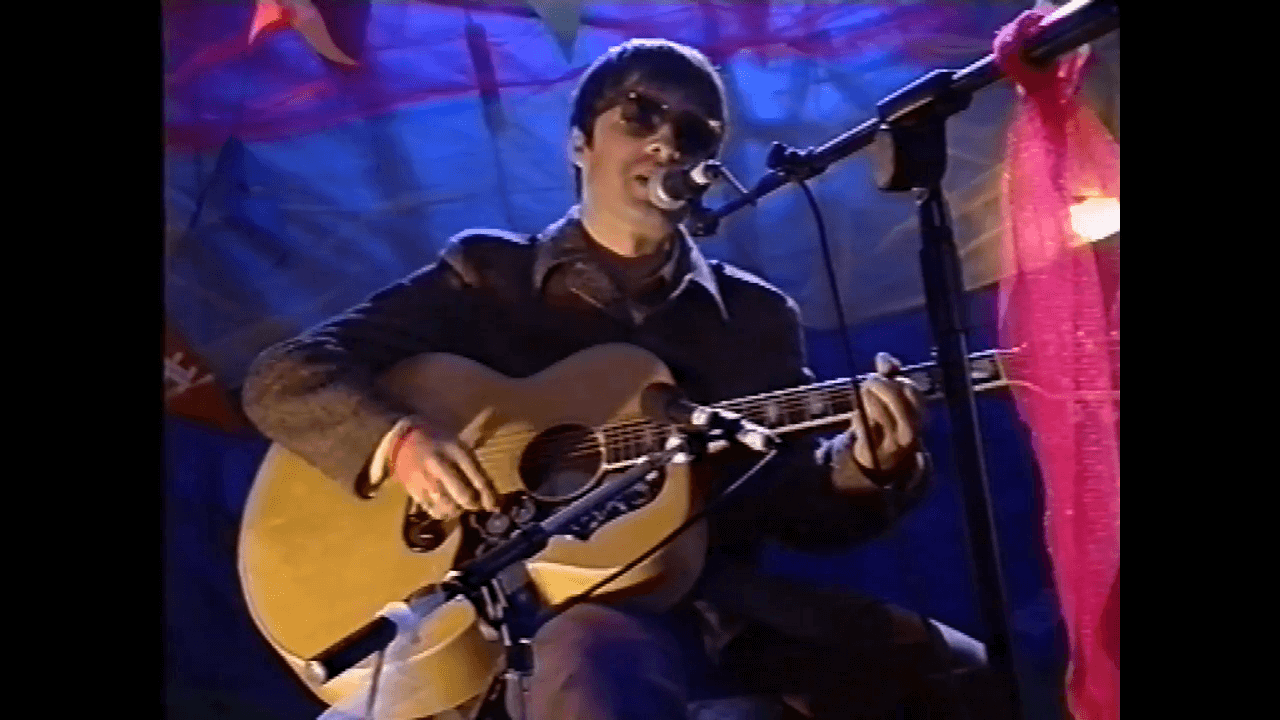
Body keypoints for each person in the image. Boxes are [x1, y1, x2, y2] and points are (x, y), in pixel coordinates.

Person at [244, 38, 990, 720]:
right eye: (640, 114)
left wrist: (868, 467)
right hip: (516, 610)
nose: (667, 139)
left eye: (695, 131)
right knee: (599, 656)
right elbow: (284, 376)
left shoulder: (755, 317)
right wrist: (403, 442)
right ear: (580, 143)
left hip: (712, 604)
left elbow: (791, 505)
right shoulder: (490, 277)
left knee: (962, 671)